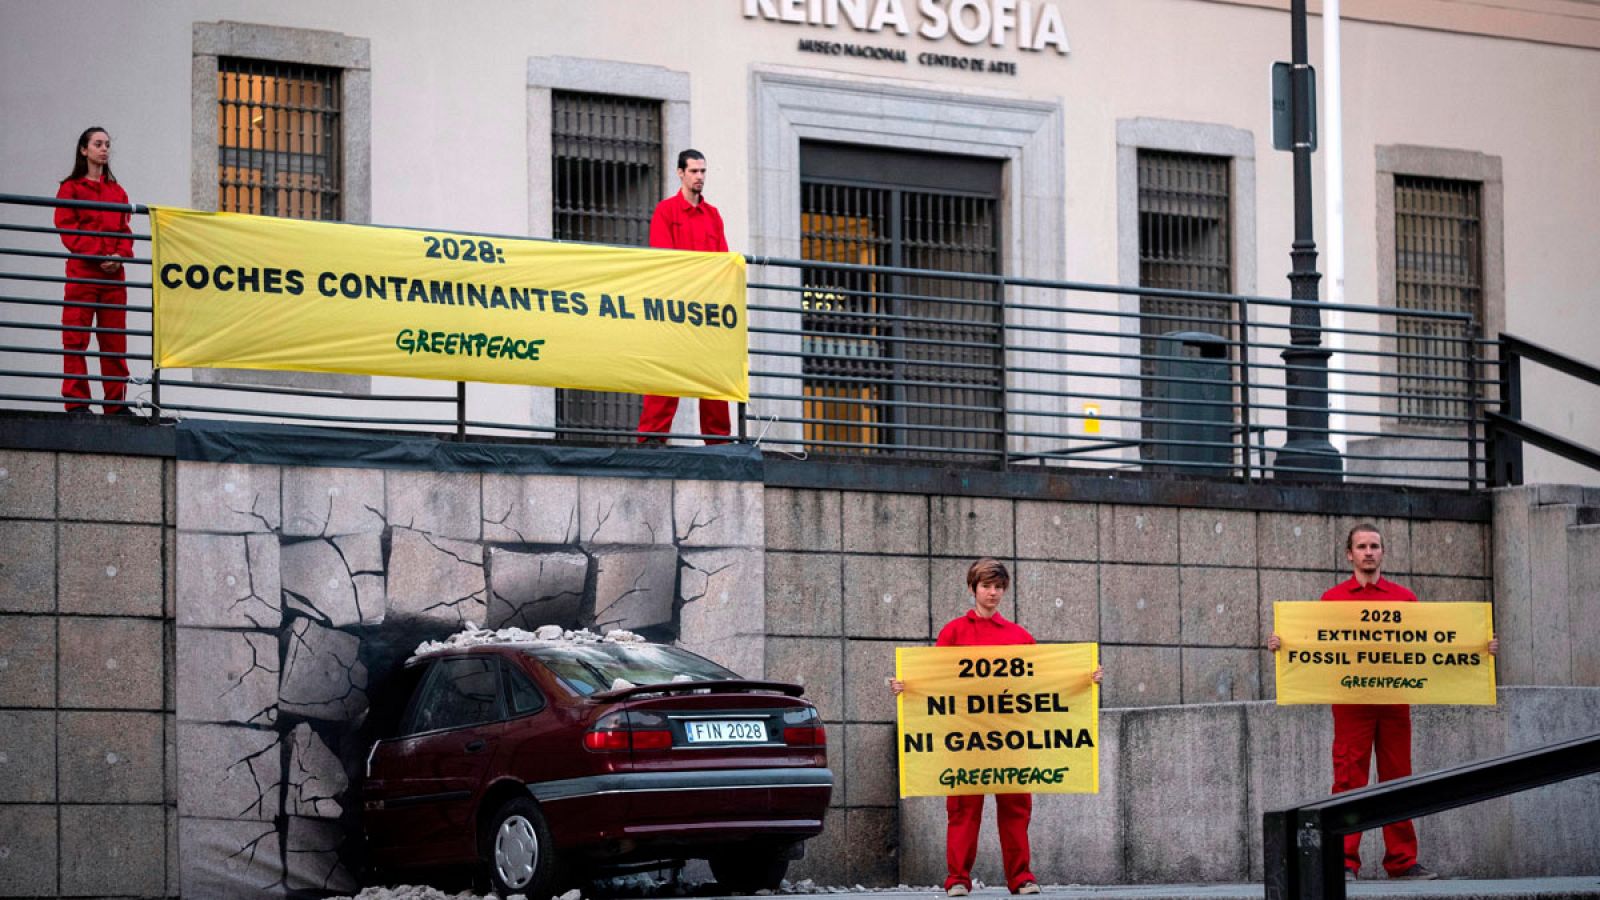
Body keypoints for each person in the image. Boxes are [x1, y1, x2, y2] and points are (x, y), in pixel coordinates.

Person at [1268, 523, 1498, 882]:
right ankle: (1344, 861)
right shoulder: (1332, 600)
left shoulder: (1404, 599)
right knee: (1349, 779)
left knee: (1398, 778)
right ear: (1350, 555)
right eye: (1362, 546)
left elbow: (1430, 645)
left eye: (1374, 546)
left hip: (1394, 701)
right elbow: (1313, 643)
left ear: (1382, 553)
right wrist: (1283, 644)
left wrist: (1479, 647)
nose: (1369, 552)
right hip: (1351, 702)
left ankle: (1402, 861)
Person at [892, 558, 1103, 897]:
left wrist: (1083, 678)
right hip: (966, 738)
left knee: (1016, 808)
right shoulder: (953, 633)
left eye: (998, 587)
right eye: (986, 586)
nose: (993, 592)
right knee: (963, 809)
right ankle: (957, 879)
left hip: (1011, 739)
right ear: (973, 588)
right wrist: (907, 686)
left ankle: (1021, 878)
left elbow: (1043, 680)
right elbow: (934, 678)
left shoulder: (1019, 636)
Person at [636, 149, 731, 445]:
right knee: (666, 374)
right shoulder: (666, 211)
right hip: (675, 308)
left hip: (706, 309)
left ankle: (719, 443)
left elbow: (723, 262)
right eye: (693, 171)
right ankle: (652, 440)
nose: (699, 177)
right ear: (680, 173)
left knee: (714, 375)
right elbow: (665, 260)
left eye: (703, 171)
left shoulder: (713, 215)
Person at [54, 126, 134, 416]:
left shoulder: (117, 191)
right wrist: (100, 254)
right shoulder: (70, 188)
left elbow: (125, 232)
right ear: (84, 149)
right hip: (83, 275)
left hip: (113, 277)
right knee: (75, 338)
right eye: (98, 144)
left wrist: (120, 256)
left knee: (114, 340)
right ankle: (76, 402)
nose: (104, 149)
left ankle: (116, 403)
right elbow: (67, 228)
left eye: (107, 145)